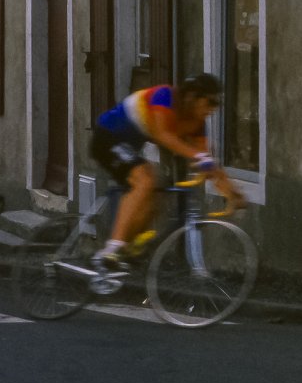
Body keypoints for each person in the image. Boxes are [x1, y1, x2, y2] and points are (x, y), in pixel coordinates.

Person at [89, 74, 240, 277]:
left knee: (152, 201)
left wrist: (231, 191)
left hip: (129, 145)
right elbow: (162, 135)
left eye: (218, 103)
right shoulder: (164, 96)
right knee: (145, 180)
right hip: (108, 136)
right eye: (211, 101)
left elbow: (207, 162)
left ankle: (122, 250)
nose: (214, 108)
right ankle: (111, 249)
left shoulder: (197, 122)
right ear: (192, 96)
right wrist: (198, 156)